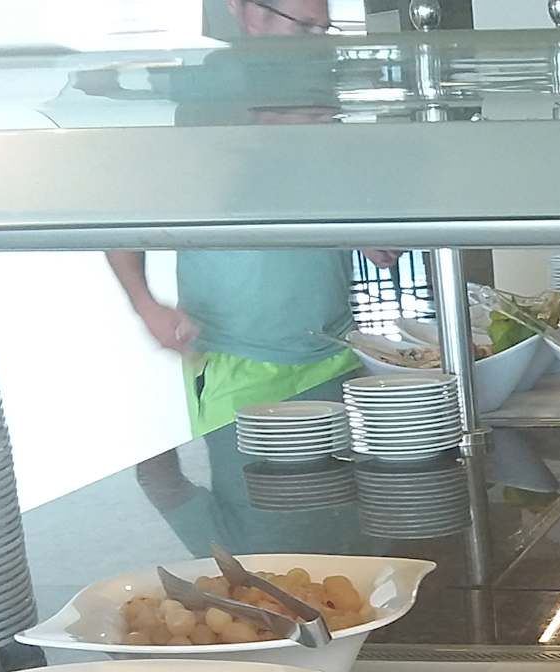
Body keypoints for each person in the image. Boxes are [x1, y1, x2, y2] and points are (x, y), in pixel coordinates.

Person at [105, 0, 395, 436]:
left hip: (335, 347)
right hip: (238, 361)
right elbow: (124, 212)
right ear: (252, 14)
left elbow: (321, 186)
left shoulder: (319, 82)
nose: (318, 44)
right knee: (245, 481)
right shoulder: (205, 93)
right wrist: (145, 305)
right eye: (305, 29)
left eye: (324, 30)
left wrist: (359, 231)